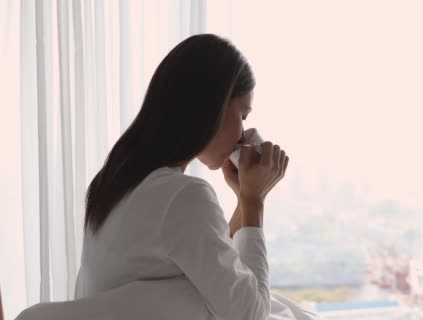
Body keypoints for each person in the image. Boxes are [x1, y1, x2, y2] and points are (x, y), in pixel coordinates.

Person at [54, 33, 317, 320]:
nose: (243, 134)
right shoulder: (184, 195)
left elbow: (219, 266)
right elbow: (250, 314)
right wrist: (254, 202)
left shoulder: (115, 181)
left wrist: (244, 198)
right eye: (242, 114)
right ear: (213, 106)